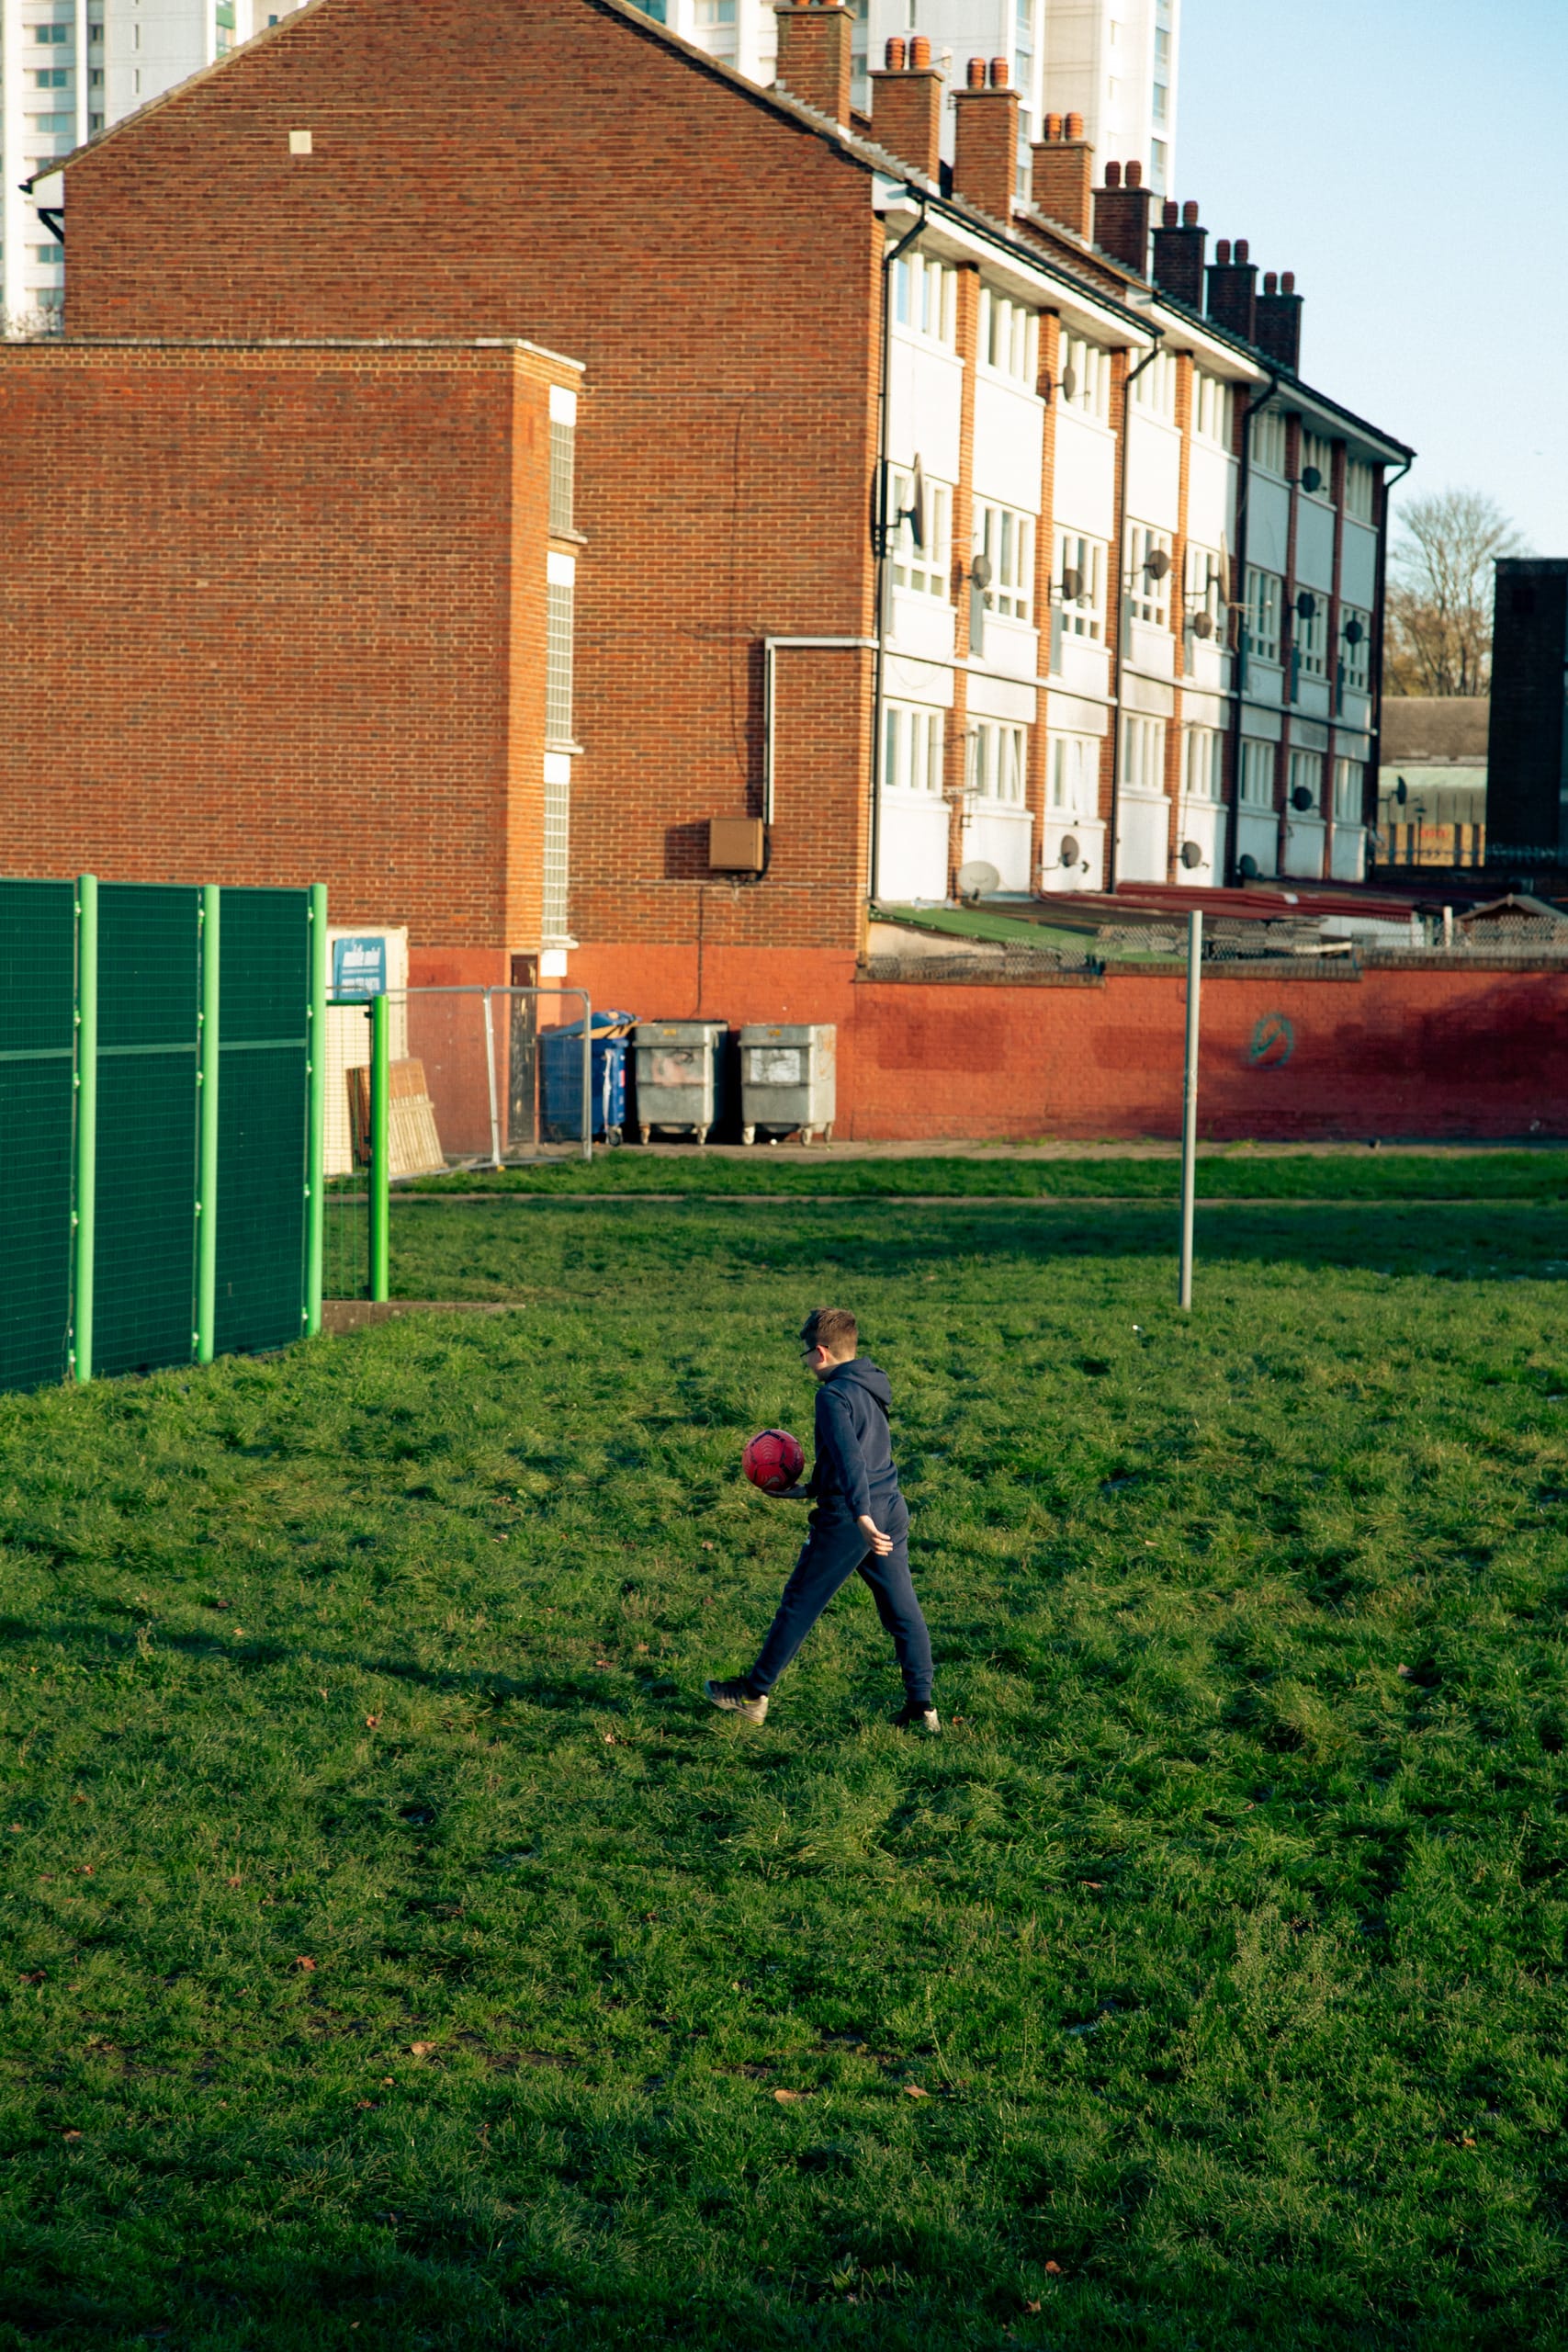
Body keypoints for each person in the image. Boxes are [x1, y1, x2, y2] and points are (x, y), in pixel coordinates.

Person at [705, 1306, 938, 1732]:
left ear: (821, 1352)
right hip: (891, 1507)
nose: (806, 1363)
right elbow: (862, 1453)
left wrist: (860, 1517)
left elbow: (851, 1460)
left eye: (805, 1354)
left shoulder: (831, 1396)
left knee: (799, 1603)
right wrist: (807, 1489)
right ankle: (922, 1709)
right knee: (903, 1610)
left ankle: (753, 1696)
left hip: (851, 1518)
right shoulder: (871, 1383)